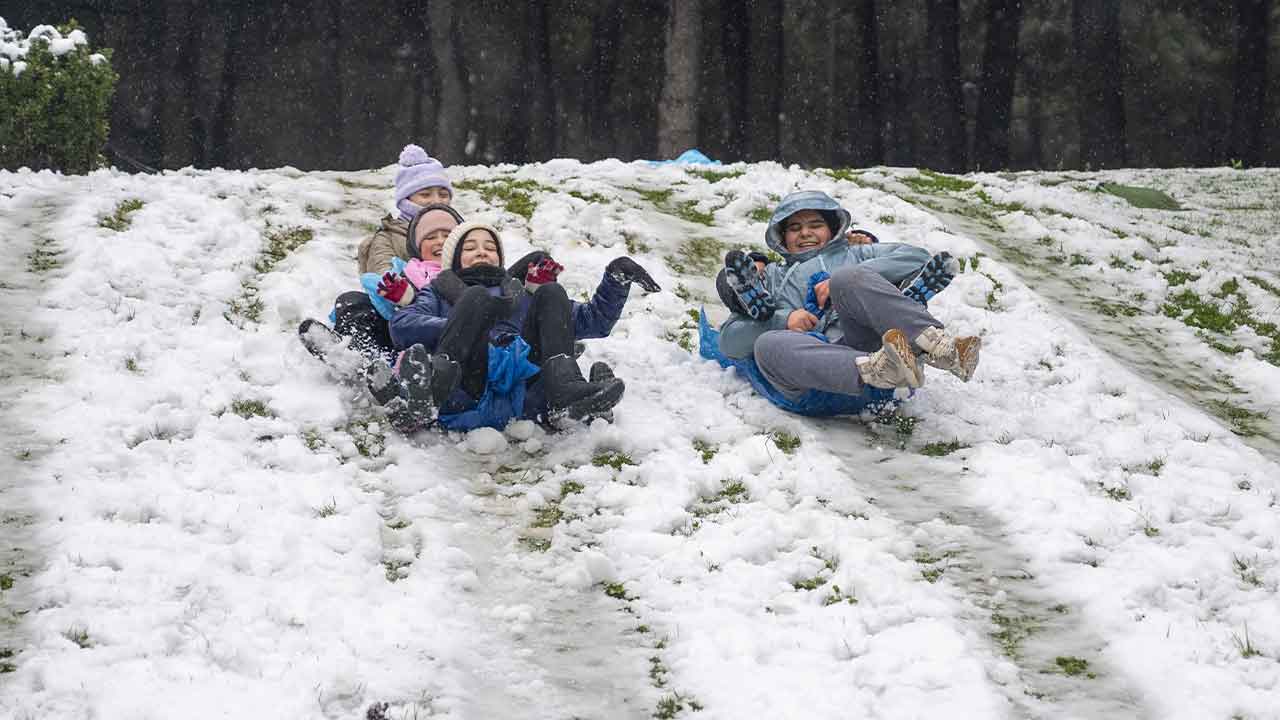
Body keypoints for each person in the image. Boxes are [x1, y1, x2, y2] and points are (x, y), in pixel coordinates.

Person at [703, 190, 979, 414]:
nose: (805, 233)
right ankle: (878, 365)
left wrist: (842, 277)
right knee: (767, 344)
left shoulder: (856, 253)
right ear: (782, 238)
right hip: (814, 381)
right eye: (795, 228)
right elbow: (730, 341)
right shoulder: (772, 276)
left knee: (848, 279)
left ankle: (940, 348)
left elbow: (917, 257)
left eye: (815, 225)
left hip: (868, 345)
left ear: (833, 228)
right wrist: (783, 320)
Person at [370, 221, 660, 431]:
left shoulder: (523, 293)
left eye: (490, 247)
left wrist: (615, 280)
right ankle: (429, 396)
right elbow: (403, 326)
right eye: (470, 248)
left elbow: (593, 322)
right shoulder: (436, 292)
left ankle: (563, 393)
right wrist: (466, 324)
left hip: (526, 391)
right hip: (467, 388)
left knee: (552, 292)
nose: (482, 252)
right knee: (476, 298)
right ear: (454, 259)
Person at [299, 144, 456, 365]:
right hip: (400, 317)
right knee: (352, 303)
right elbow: (384, 279)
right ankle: (365, 361)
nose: (436, 200)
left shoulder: (460, 233)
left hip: (447, 318)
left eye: (443, 194)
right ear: (407, 199)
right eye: (425, 194)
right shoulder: (387, 238)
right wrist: (407, 294)